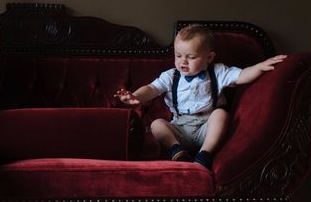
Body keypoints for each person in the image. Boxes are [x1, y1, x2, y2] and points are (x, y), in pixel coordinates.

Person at [114, 24, 286, 168]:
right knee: (157, 124)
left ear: (209, 57)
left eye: (191, 57)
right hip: (180, 127)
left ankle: (205, 154)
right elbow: (152, 88)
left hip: (207, 126)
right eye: (178, 56)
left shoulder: (218, 72)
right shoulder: (171, 76)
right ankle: (176, 151)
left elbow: (242, 75)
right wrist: (135, 96)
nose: (183, 62)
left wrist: (261, 66)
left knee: (221, 114)